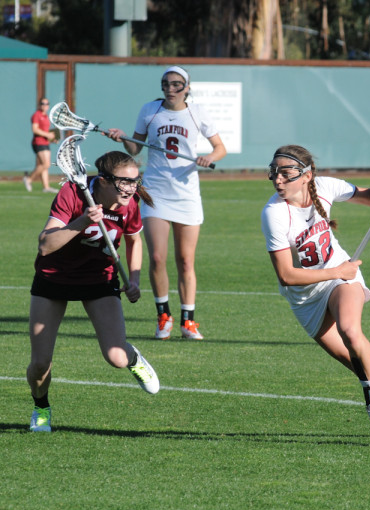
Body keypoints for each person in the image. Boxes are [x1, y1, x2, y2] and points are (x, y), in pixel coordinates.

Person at [260, 145, 370, 441]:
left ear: (306, 176)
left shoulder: (325, 186)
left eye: (285, 174)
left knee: (351, 331)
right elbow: (287, 276)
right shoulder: (273, 213)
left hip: (341, 279)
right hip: (306, 296)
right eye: (274, 173)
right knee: (358, 363)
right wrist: (336, 272)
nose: (278, 180)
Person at [27, 150, 160, 432]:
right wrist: (82, 222)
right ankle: (41, 408)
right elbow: (45, 245)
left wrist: (134, 279)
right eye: (124, 182)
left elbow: (135, 242)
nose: (131, 188)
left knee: (117, 358)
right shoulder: (72, 193)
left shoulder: (131, 203)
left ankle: (133, 357)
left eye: (135, 181)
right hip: (54, 278)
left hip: (98, 280)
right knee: (40, 364)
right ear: (103, 180)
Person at [107, 65, 227, 341]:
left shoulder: (198, 113)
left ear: (187, 87)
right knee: (158, 257)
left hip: (186, 194)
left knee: (186, 260)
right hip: (155, 192)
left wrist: (211, 158)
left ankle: (189, 321)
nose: (170, 89)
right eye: (165, 84)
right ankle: (163, 316)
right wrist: (122, 138)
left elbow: (220, 147)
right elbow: (135, 149)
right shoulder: (150, 110)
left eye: (176, 84)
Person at [24, 97, 59, 193]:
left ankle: (46, 187)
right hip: (38, 142)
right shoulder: (36, 115)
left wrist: (52, 139)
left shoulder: (47, 117)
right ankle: (29, 179)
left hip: (46, 142)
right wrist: (47, 134)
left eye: (47, 104)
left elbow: (47, 131)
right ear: (39, 105)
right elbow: (35, 129)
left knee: (44, 165)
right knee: (46, 164)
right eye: (43, 103)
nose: (45, 105)